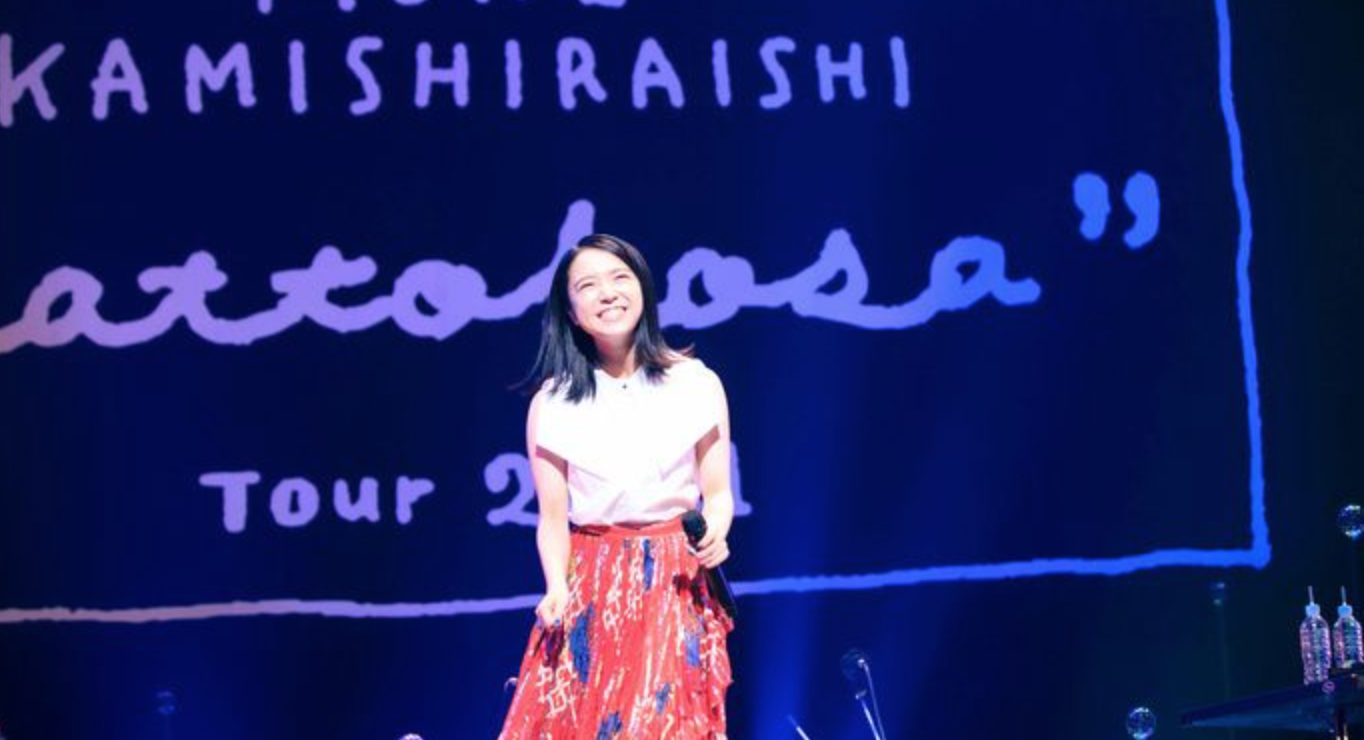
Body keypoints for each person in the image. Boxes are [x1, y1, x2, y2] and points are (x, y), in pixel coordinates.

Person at [497, 233, 736, 740]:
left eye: (619, 278)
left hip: (674, 577)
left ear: (643, 288)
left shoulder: (696, 383)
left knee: (666, 724)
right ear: (571, 311)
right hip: (594, 577)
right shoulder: (553, 403)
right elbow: (552, 520)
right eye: (588, 285)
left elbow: (717, 494)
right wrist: (556, 586)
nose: (607, 293)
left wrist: (716, 531)